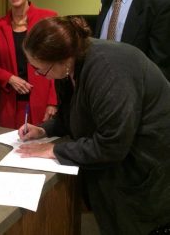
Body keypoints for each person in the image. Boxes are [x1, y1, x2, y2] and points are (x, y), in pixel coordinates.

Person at [17, 16, 170, 234]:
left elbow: (112, 145)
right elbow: (70, 115)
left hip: (148, 161)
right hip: (122, 163)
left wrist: (54, 149)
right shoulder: (68, 69)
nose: (40, 75)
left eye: (41, 70)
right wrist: (43, 130)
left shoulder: (108, 69)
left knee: (142, 223)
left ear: (61, 58)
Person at [0, 0, 57, 129]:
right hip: (11, 104)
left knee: (40, 150)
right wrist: (9, 78)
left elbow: (59, 63)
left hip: (42, 102)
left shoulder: (48, 19)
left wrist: (53, 102)